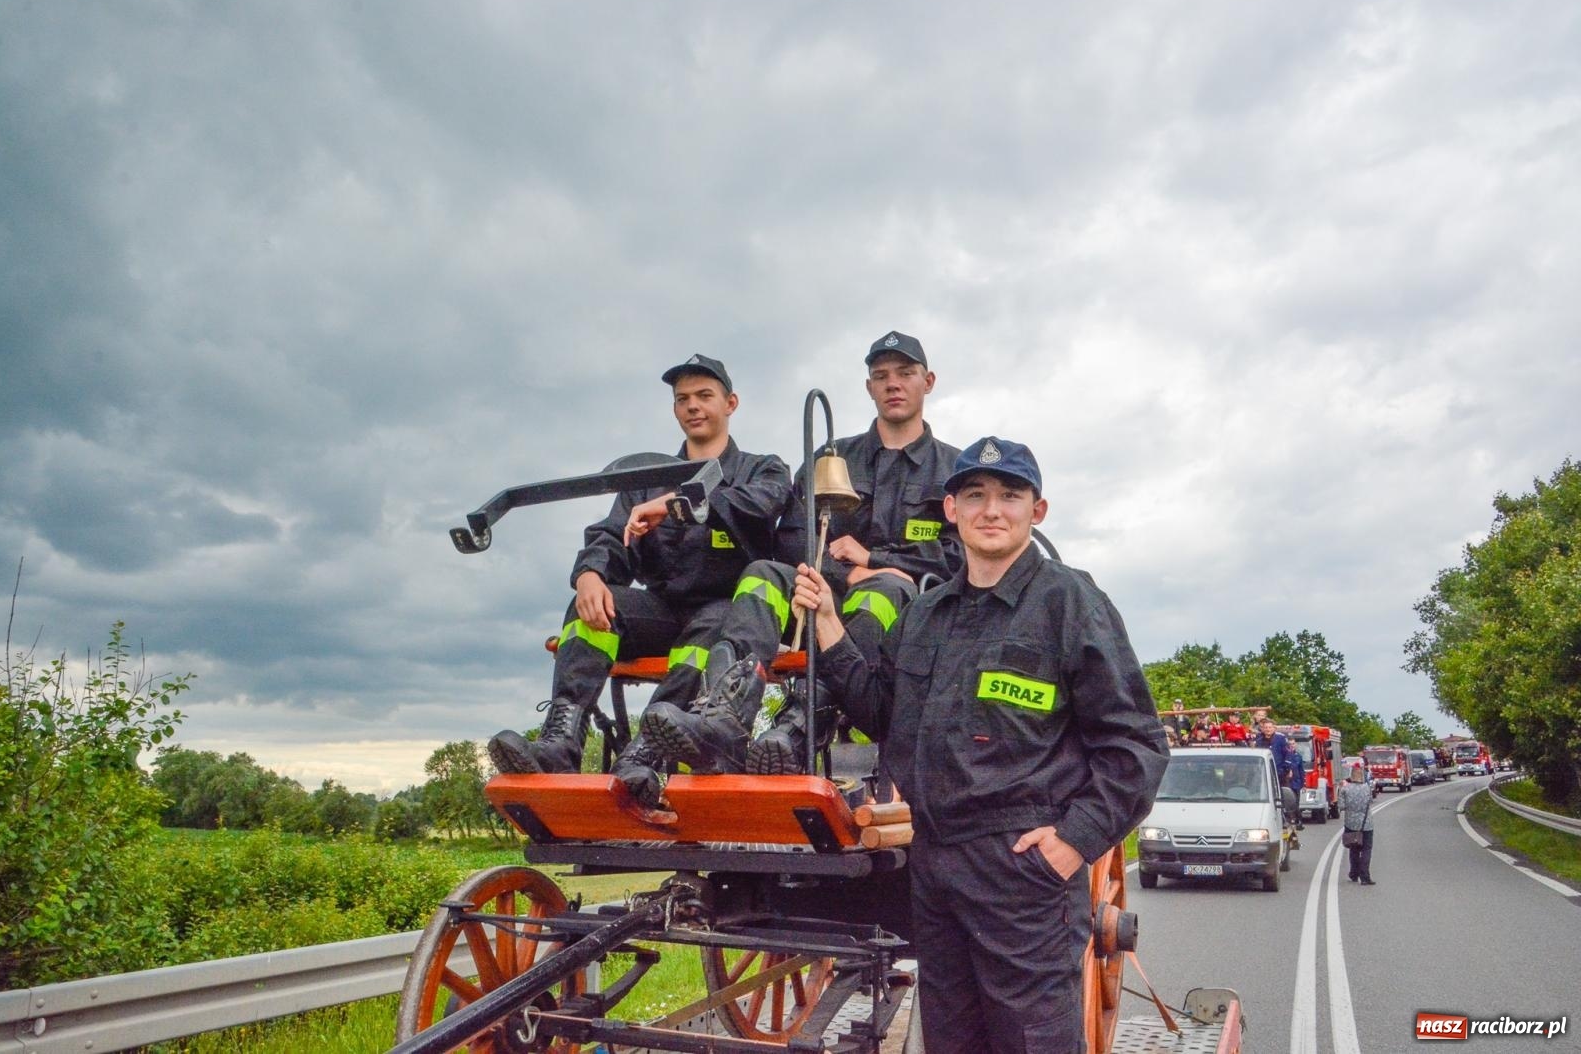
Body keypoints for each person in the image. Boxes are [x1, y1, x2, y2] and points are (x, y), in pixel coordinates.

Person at [791, 436, 1168, 1054]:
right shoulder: (926, 613)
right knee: (951, 1042)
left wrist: (1072, 843)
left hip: (1021, 873)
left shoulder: (1068, 602)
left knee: (1030, 1043)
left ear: (1036, 511)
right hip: (935, 868)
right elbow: (882, 712)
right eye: (976, 496)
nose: (992, 510)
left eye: (1009, 496)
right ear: (952, 509)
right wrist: (829, 623)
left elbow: (1137, 746)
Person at [642, 330, 961, 776]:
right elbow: (791, 538)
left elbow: (962, 555)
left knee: (882, 591)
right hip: (816, 600)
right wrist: (838, 573)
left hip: (907, 622)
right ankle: (726, 718)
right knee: (761, 573)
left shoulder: (957, 471)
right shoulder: (828, 459)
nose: (893, 384)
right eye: (881, 375)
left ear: (927, 382)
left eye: (905, 374)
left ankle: (799, 724)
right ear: (868, 386)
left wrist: (878, 561)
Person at [486, 355, 792, 802]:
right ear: (674, 410)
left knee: (710, 626)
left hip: (729, 619)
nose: (693, 406)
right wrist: (590, 573)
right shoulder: (644, 479)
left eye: (705, 396)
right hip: (663, 612)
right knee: (591, 603)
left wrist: (675, 504)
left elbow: (759, 505)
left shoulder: (764, 469)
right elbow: (612, 536)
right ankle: (561, 743)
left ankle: (644, 755)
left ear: (731, 403)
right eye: (682, 399)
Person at [1337, 763, 1376, 884]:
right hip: (1367, 824)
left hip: (1350, 823)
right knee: (1366, 849)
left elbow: (1341, 806)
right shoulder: (1367, 788)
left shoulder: (1345, 789)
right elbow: (1370, 801)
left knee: (1353, 849)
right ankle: (1365, 876)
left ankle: (1353, 873)